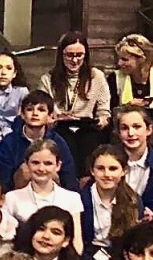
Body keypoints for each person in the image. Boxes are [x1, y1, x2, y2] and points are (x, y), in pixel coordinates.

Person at [38, 32, 111, 178]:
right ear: (61, 55)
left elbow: (104, 110)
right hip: (61, 126)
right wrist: (53, 118)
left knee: (91, 142)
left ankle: (87, 183)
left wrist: (102, 119)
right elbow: (45, 110)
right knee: (64, 141)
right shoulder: (48, 79)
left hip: (88, 126)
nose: (75, 60)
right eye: (69, 55)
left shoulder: (96, 76)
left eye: (79, 55)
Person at [3, 139, 84, 254]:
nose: (41, 169)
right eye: (35, 163)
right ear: (26, 165)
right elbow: (7, 240)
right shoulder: (12, 198)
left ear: (58, 166)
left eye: (48, 163)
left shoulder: (72, 198)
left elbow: (77, 240)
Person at [0, 90, 77, 191]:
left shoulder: (58, 142)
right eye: (30, 109)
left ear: (50, 116)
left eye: (41, 110)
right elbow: (1, 182)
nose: (35, 114)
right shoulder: (9, 142)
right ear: (22, 114)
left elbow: (70, 181)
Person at [81, 145, 140, 260]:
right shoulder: (80, 199)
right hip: (87, 257)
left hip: (121, 258)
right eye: (100, 168)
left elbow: (132, 242)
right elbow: (78, 244)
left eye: (113, 169)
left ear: (124, 171)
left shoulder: (133, 200)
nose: (107, 174)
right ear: (92, 171)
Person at [115, 105, 153, 215]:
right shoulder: (108, 161)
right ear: (118, 133)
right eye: (124, 128)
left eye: (136, 127)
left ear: (148, 129)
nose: (131, 133)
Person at [108, 34, 153, 110]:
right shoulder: (114, 78)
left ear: (141, 59)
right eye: (118, 59)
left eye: (125, 59)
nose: (119, 63)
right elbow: (110, 111)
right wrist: (128, 107)